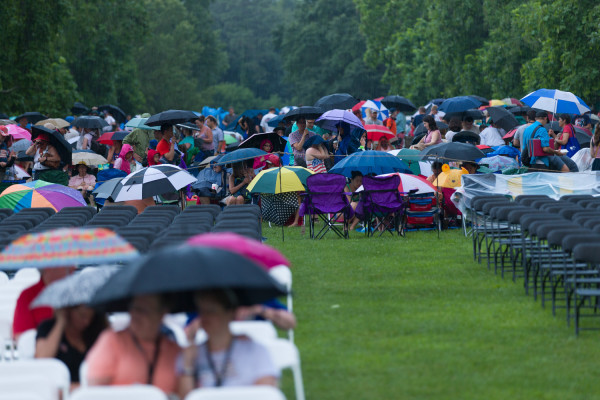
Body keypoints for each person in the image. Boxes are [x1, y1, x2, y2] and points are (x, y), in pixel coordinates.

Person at [177, 289, 278, 397]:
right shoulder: (190, 355)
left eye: (212, 311)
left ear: (230, 313)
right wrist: (188, 364)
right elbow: (185, 397)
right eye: (202, 311)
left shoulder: (256, 351)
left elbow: (266, 394)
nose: (205, 318)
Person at [86, 294, 180, 395]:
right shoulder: (112, 341)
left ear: (162, 314)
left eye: (143, 310)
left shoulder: (175, 350)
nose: (135, 315)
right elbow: (94, 392)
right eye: (133, 308)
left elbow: (184, 395)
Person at [36, 304, 108, 386]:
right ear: (68, 310)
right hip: (58, 389)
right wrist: (61, 322)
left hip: (92, 389)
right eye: (82, 316)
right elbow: (42, 359)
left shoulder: (96, 329)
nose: (86, 322)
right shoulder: (48, 328)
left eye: (90, 317)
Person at [13, 267, 74, 340]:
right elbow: (23, 338)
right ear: (48, 268)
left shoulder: (77, 293)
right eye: (66, 265)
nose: (73, 267)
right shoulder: (28, 296)